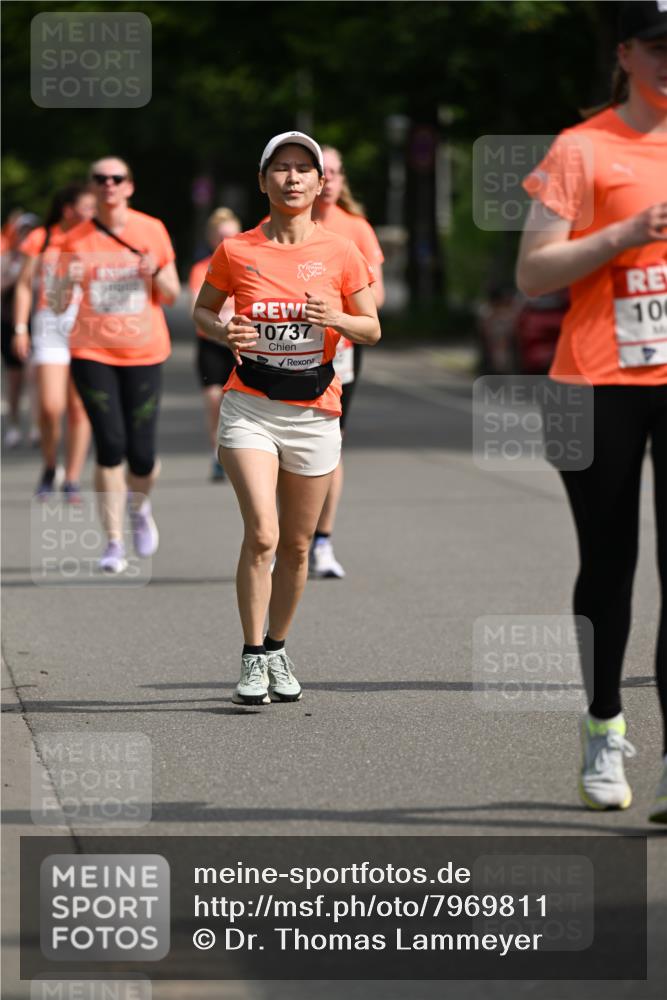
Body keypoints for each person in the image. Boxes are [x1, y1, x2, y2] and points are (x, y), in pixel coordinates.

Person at [516, 0, 667, 823]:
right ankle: (604, 725)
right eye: (655, 47)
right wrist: (626, 234)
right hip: (595, 382)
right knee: (608, 566)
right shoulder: (583, 148)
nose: (666, 60)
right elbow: (533, 272)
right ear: (625, 54)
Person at [193, 131, 380, 705]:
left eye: (304, 169)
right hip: (250, 405)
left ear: (321, 183)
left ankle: (276, 646)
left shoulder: (342, 251)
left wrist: (337, 318)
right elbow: (202, 311)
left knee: (298, 546)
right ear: (263, 180)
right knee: (264, 534)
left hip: (316, 411)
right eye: (281, 169)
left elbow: (371, 327)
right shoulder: (238, 250)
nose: (293, 178)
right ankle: (252, 658)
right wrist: (225, 329)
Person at [56, 156, 180, 573]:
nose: (108, 185)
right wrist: (63, 281)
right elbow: (55, 304)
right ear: (91, 187)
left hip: (144, 350)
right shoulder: (73, 239)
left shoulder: (152, 230)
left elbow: (172, 293)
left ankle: (139, 509)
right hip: (92, 351)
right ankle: (112, 544)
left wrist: (155, 270)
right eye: (100, 179)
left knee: (141, 454)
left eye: (117, 178)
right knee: (110, 446)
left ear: (129, 186)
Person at [308, 146, 385, 577]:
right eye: (325, 171)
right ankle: (289, 536)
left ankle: (323, 541)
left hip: (341, 354)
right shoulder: (284, 226)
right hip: (287, 353)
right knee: (287, 449)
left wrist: (338, 307)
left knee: (330, 446)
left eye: (338, 172)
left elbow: (378, 296)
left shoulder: (356, 229)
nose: (332, 180)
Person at [12, 183, 96, 501]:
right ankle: (50, 465)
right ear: (68, 209)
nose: (92, 213)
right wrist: (21, 328)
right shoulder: (41, 238)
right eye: (87, 207)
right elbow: (22, 286)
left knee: (78, 407)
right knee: (49, 407)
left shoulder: (94, 241)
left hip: (86, 327)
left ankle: (71, 477)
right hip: (49, 325)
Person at [188, 207, 241, 481]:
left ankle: (239, 452)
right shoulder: (202, 268)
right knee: (213, 400)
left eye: (231, 236)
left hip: (241, 345)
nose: (225, 243)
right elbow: (197, 308)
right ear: (211, 239)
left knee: (240, 401)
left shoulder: (247, 265)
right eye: (220, 237)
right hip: (211, 343)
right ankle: (216, 452)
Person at [1, 211, 40, 447]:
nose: (26, 237)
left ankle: (37, 425)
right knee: (15, 379)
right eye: (22, 232)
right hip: (9, 325)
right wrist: (16, 276)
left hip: (38, 324)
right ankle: (14, 424)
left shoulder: (44, 258)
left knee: (35, 375)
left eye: (30, 232)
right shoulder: (6, 259)